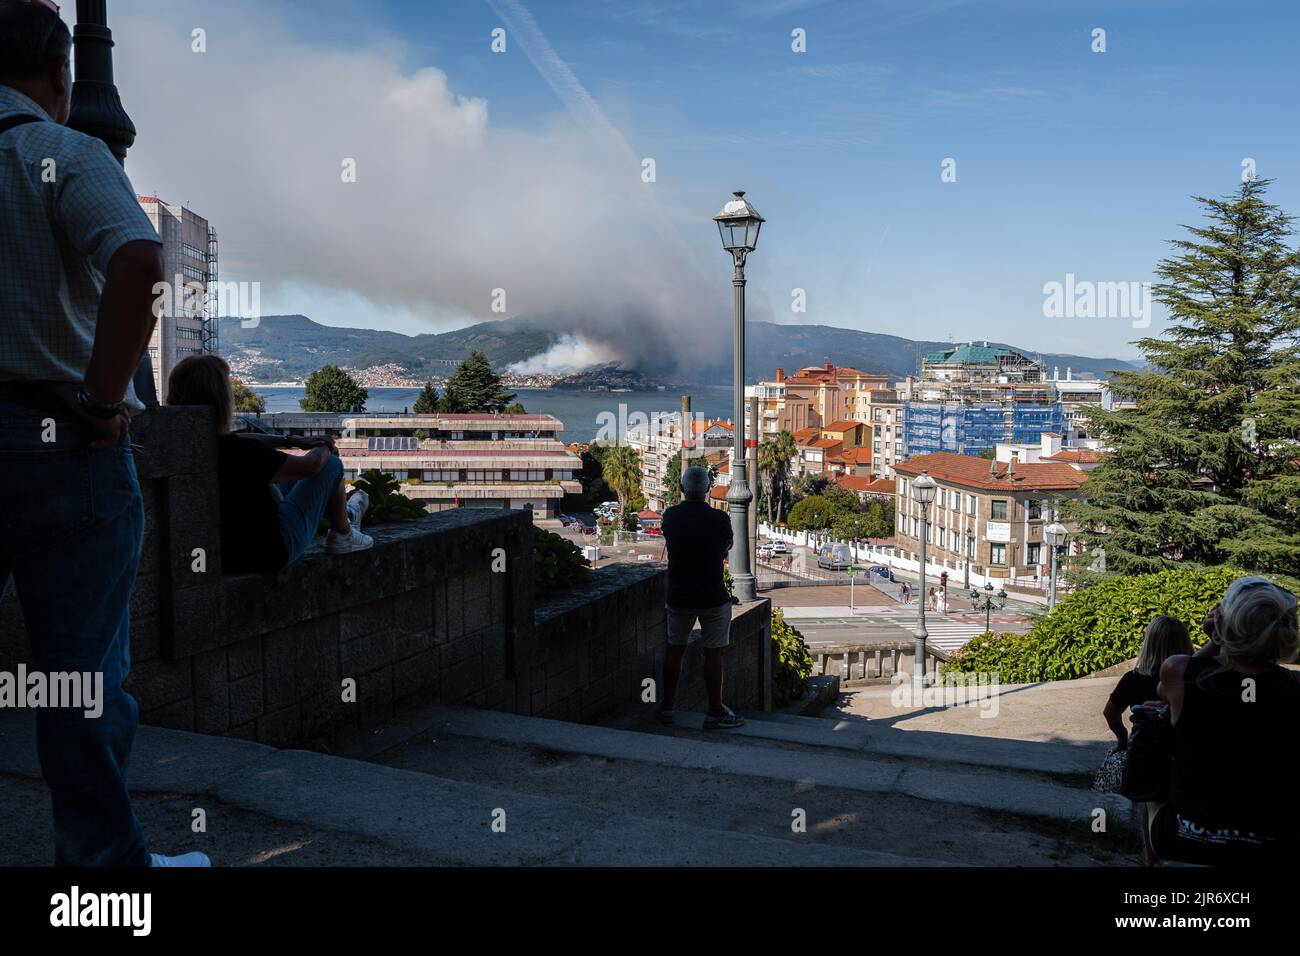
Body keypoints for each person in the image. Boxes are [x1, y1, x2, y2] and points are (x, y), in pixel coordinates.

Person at [0, 0, 205, 866]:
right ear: (61, 76)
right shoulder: (60, 150)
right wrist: (104, 394)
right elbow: (138, 258)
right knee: (81, 683)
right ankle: (100, 877)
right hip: (63, 447)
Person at [165, 355, 372, 571]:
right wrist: (325, 446)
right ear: (221, 399)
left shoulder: (185, 445)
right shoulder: (238, 453)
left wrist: (290, 440)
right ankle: (344, 533)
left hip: (219, 556)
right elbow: (311, 466)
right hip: (270, 551)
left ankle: (348, 516)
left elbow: (238, 440)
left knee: (292, 481)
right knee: (331, 466)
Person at [1150, 579, 1300, 863]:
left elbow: (1162, 693)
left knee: (1151, 794)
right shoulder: (1296, 687)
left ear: (1225, 623)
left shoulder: (1180, 672)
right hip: (1276, 848)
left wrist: (1215, 640)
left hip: (1188, 840)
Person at [655, 466, 744, 729]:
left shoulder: (671, 516)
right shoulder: (720, 519)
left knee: (674, 649)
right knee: (713, 654)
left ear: (682, 489)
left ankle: (667, 707)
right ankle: (715, 710)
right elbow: (727, 546)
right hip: (712, 595)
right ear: (707, 490)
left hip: (679, 594)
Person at [1103, 616, 1192, 750]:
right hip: (1185, 748)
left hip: (1143, 748)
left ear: (1149, 644)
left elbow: (1110, 713)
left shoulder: (1133, 678)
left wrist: (1123, 739)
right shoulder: (1196, 676)